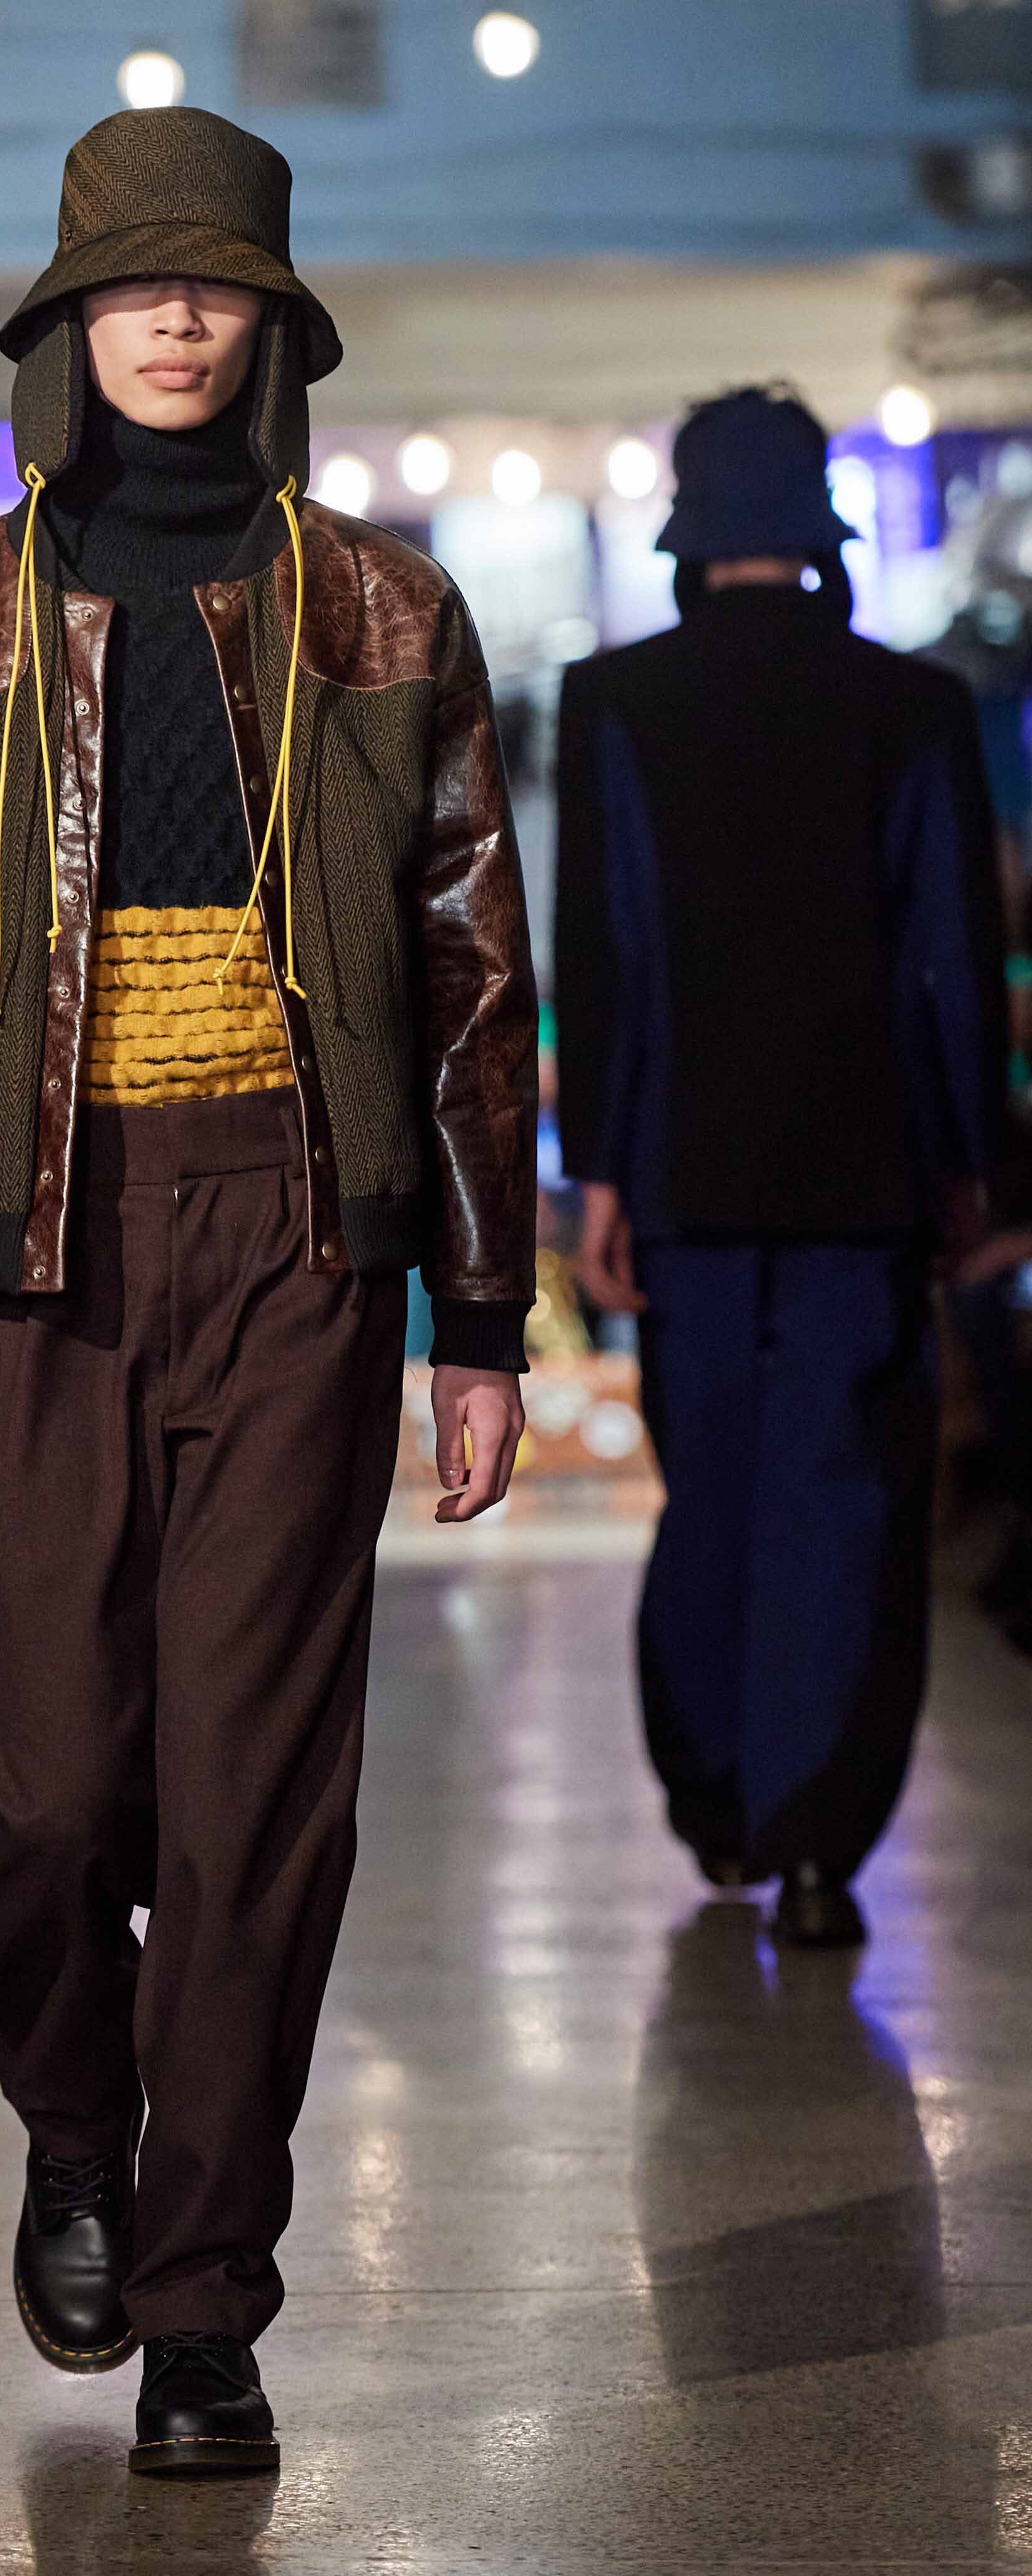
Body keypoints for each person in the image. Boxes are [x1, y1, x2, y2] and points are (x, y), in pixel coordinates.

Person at [0, 106, 536, 2474]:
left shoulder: (389, 613)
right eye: (131, 285)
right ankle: (74, 2133)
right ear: (65, 324)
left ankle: (207, 2303)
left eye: (212, 283)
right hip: (21, 1257)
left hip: (301, 1242)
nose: (173, 318)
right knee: (43, 1793)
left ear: (271, 323)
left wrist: (480, 1318)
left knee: (255, 1796)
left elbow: (468, 971)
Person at [555, 385, 1005, 1951]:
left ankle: (719, 1804)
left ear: (687, 526)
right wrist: (972, 1165)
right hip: (868, 1170)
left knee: (711, 1486)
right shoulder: (913, 705)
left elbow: (602, 958)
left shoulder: (614, 701)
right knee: (844, 1498)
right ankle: (818, 1845)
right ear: (818, 522)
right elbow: (952, 952)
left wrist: (600, 1173)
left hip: (681, 1168)